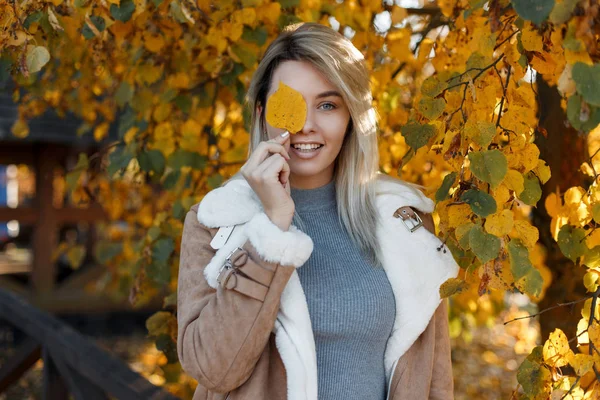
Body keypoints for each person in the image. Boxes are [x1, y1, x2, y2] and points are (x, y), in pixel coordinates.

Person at [176, 22, 459, 400]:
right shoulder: (217, 223)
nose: (306, 126)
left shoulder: (402, 219)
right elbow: (212, 368)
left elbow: (435, 375)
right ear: (261, 112)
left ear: (351, 118)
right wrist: (272, 232)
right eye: (289, 105)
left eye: (327, 105)